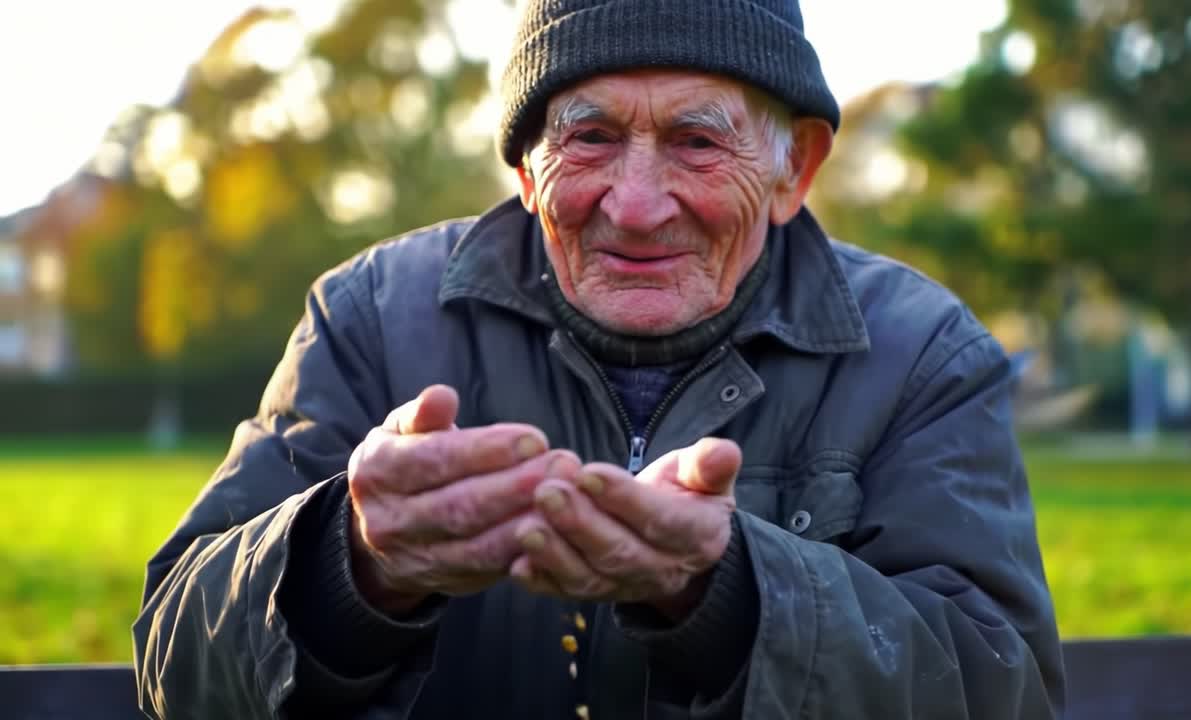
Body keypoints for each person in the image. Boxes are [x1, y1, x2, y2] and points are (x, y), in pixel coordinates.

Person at [132, 1, 1065, 718]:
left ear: (797, 170)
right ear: (527, 165)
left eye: (698, 142)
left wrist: (733, 594)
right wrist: (352, 562)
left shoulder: (923, 354)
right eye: (591, 137)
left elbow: (1004, 689)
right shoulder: (370, 318)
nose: (636, 203)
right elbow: (172, 659)